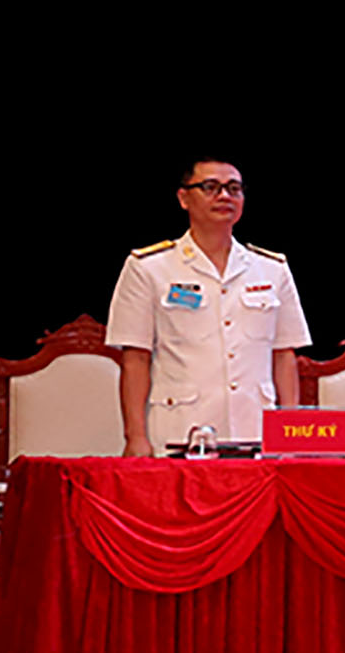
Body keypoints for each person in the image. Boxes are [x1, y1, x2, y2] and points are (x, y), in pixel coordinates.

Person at [107, 157, 311, 456]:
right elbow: (135, 358)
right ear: (183, 198)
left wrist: (289, 433)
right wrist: (135, 436)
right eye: (210, 187)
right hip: (179, 433)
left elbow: (284, 355)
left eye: (234, 189)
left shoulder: (271, 268)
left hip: (256, 431)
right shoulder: (149, 268)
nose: (224, 196)